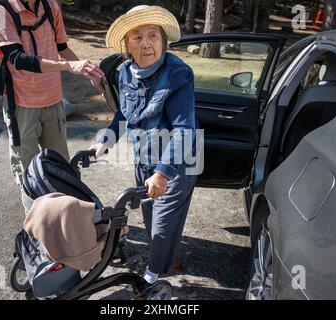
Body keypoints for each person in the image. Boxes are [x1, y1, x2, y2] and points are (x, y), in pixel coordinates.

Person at [90, 5, 198, 285]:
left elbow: (184, 128)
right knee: (151, 217)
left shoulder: (178, 73)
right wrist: (106, 140)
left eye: (153, 35)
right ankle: (166, 257)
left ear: (164, 40)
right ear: (127, 44)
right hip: (144, 157)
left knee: (163, 222)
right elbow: (124, 113)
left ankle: (153, 276)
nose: (146, 43)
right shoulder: (126, 72)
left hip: (177, 161)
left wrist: (162, 172)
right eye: (137, 37)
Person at [0, 0, 105, 190]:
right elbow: (18, 59)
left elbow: (62, 48)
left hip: (53, 100)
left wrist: (89, 74)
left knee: (61, 169)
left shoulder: (50, 5)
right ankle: (34, 217)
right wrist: (68, 66)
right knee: (30, 174)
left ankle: (61, 216)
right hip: (20, 104)